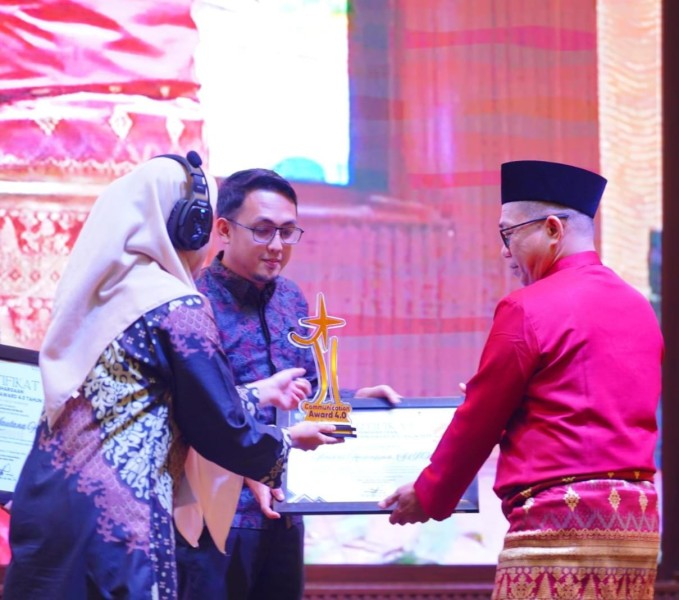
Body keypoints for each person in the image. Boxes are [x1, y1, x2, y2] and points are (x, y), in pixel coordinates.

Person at [3, 153, 341, 600]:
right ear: (196, 227)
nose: (276, 244)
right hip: (120, 523)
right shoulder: (177, 305)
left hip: (49, 504)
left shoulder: (106, 297)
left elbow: (158, 401)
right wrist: (288, 440)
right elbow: (218, 423)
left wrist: (266, 393)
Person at [379, 160, 663, 600]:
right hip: (636, 526)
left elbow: (479, 419)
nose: (504, 252)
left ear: (552, 229)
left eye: (508, 234)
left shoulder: (527, 307)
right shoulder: (638, 307)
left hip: (560, 523)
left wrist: (429, 494)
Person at [175, 168, 401, 599]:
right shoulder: (192, 302)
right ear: (223, 229)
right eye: (262, 231)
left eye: (287, 231)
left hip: (286, 506)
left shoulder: (290, 298)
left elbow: (305, 393)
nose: (277, 246)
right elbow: (193, 412)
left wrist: (355, 402)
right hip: (214, 515)